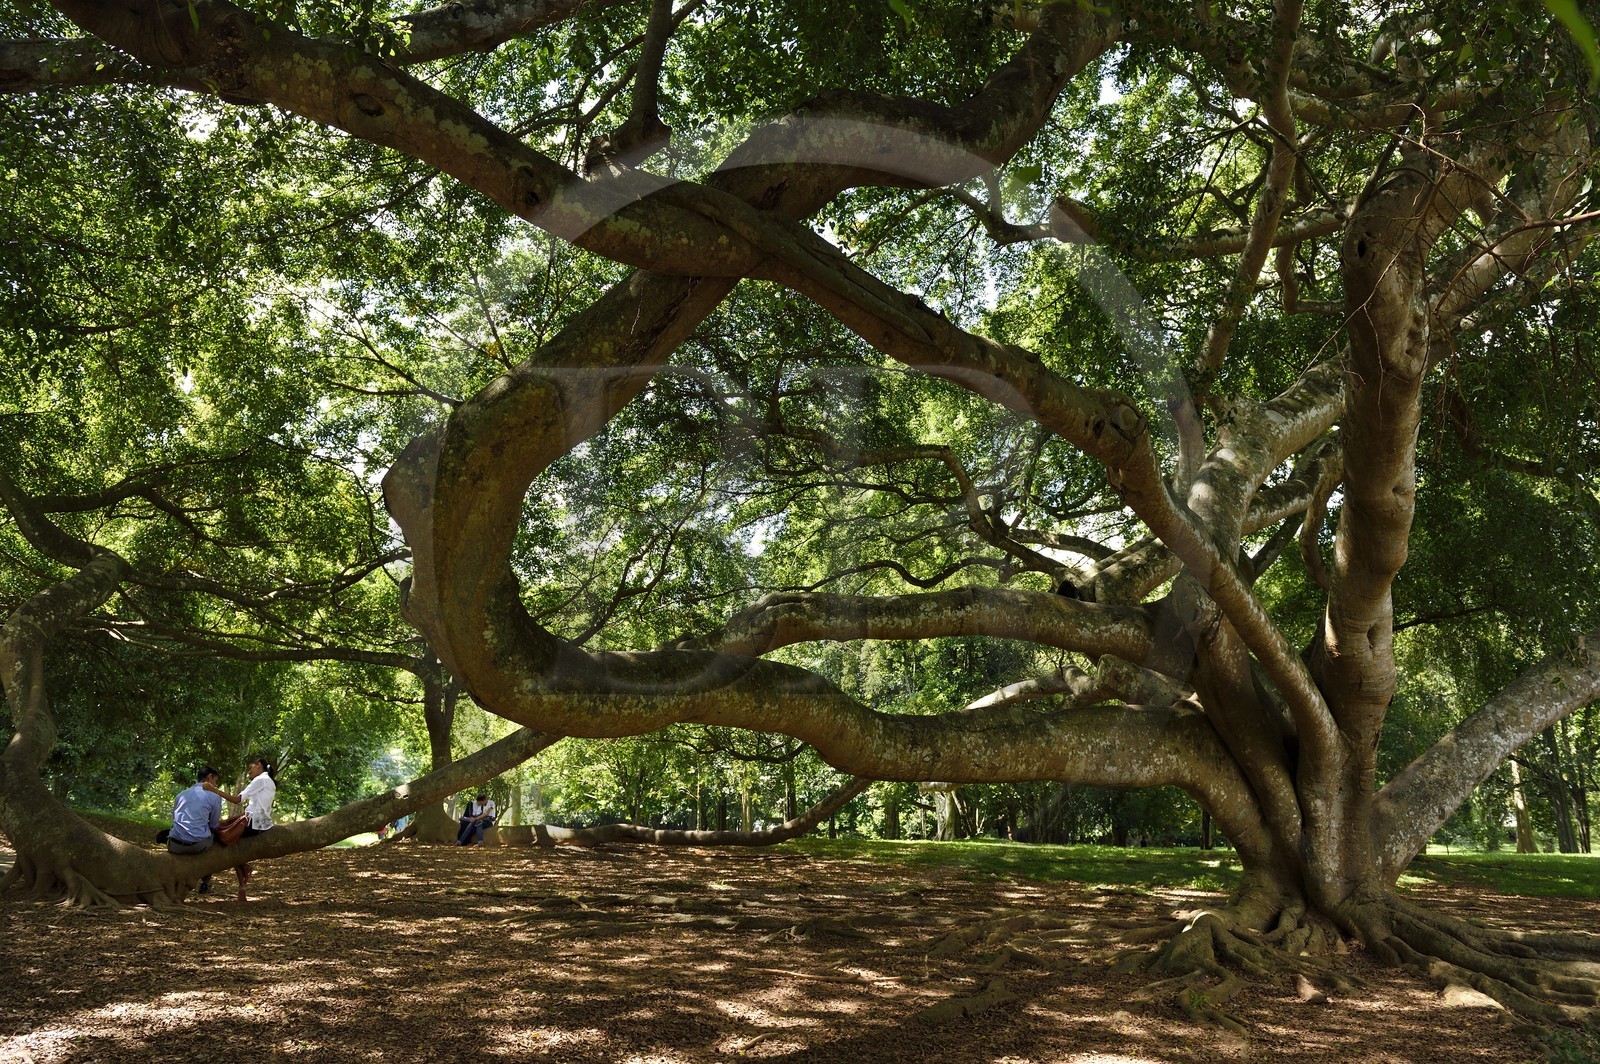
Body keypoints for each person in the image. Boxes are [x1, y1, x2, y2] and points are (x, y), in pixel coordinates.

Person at [208, 756, 277, 901]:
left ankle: (241, 875)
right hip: (260, 822)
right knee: (225, 831)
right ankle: (243, 879)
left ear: (258, 765)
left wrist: (214, 790)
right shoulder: (268, 781)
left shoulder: (260, 780)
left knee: (223, 836)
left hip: (254, 823)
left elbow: (237, 799)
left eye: (251, 767)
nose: (249, 771)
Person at [167, 765, 224, 894]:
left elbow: (176, 818)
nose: (215, 785)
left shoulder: (181, 795)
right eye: (215, 781)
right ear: (210, 777)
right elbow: (214, 825)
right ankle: (205, 882)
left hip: (174, 844)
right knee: (216, 840)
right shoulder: (214, 796)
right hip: (197, 845)